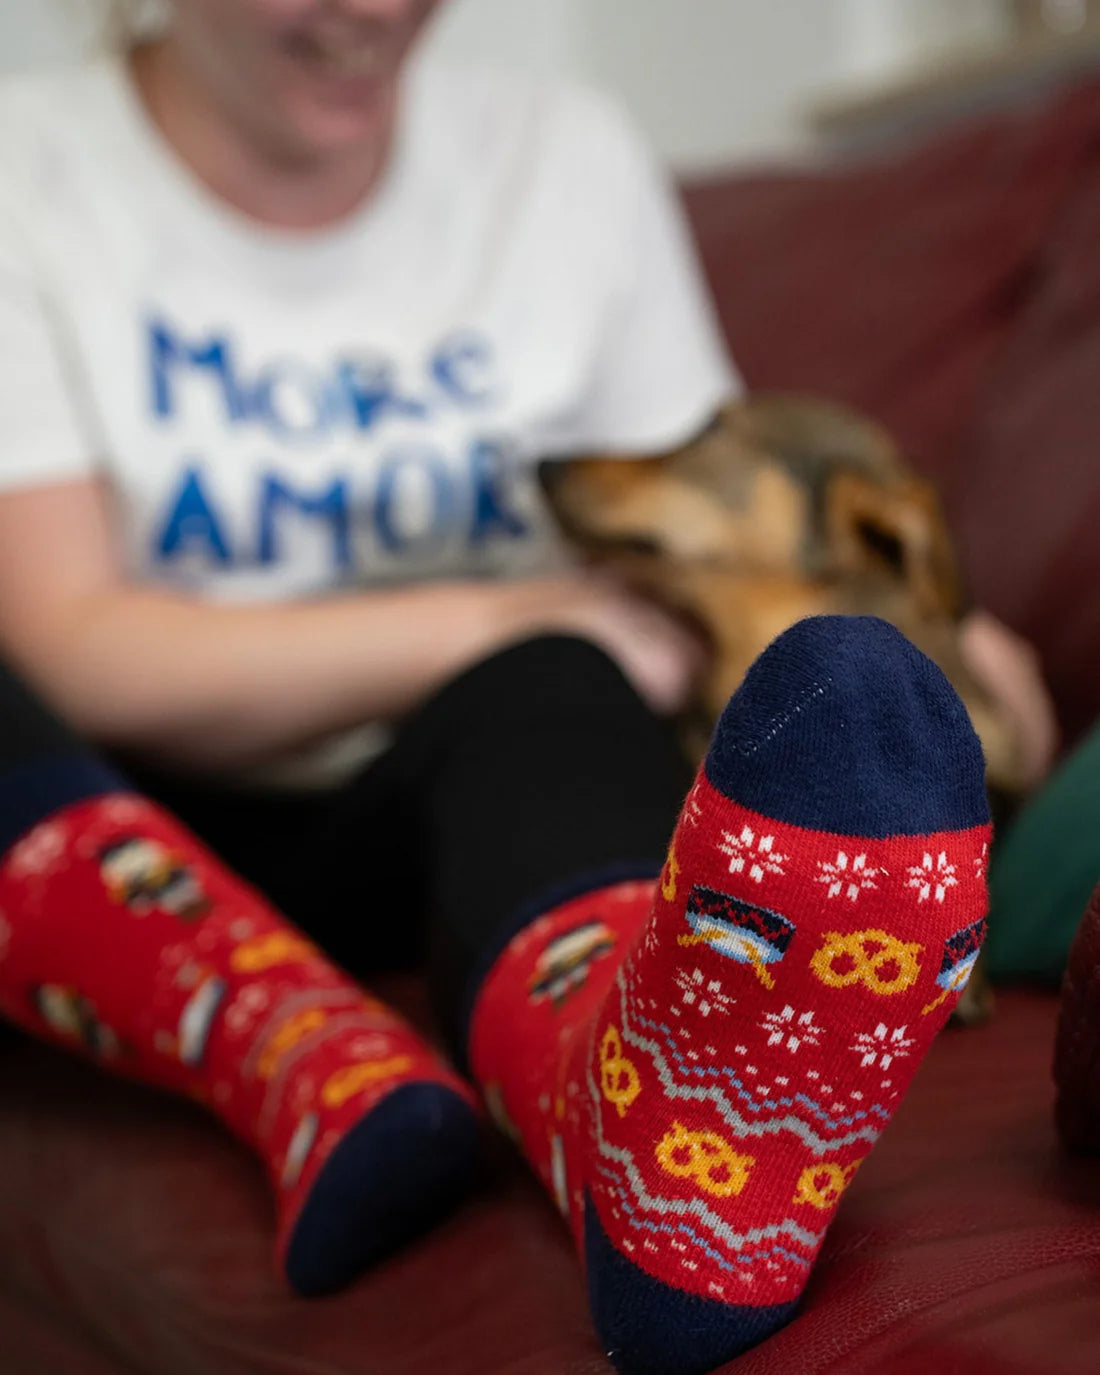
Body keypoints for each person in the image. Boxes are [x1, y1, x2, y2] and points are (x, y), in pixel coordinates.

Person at [0, 4, 993, 1373]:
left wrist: (958, 649)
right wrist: (500, 611)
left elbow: (713, 536)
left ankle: (641, 1155)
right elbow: (74, 645)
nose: (372, 8)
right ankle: (302, 1053)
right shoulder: (29, 168)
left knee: (560, 679)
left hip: (464, 819)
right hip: (121, 833)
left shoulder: (560, 154)